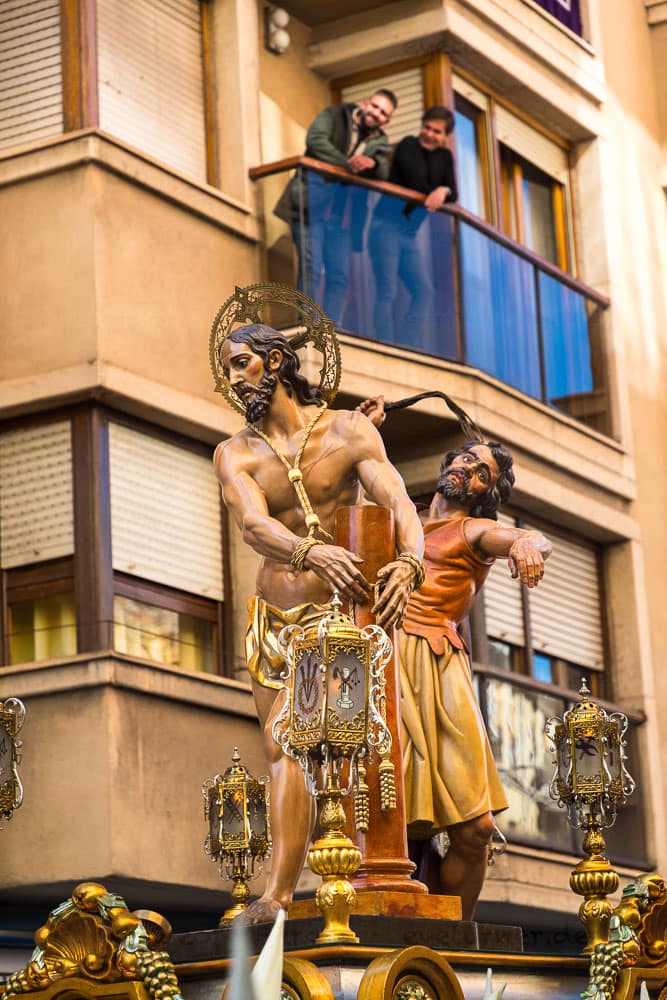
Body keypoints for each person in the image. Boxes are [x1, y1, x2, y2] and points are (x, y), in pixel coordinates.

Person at [213, 326, 424, 923]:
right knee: (282, 749)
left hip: (337, 619)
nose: (233, 379)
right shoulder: (236, 453)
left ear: (276, 361)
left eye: (242, 364)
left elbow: (399, 500)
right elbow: (254, 526)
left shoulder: (348, 431)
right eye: (228, 368)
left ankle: (301, 887)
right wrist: (309, 552)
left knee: (313, 746)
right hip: (274, 619)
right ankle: (285, 892)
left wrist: (411, 560)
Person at [358, 395, 551, 920]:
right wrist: (365, 432)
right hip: (386, 658)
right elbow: (356, 512)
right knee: (394, 824)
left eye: (482, 470)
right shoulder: (406, 519)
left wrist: (529, 544)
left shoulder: (473, 532)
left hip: (440, 667)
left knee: (477, 828)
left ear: (488, 493)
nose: (467, 467)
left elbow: (519, 537)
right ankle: (408, 927)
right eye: (464, 459)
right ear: (447, 468)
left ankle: (455, 938)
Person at [274, 90, 397, 322]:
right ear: (365, 103)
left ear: (387, 120)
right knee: (312, 267)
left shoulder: (380, 141)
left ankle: (329, 333)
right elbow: (315, 140)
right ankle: (307, 327)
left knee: (339, 276)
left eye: (383, 113)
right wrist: (348, 166)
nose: (377, 114)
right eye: (375, 107)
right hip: (311, 206)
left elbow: (383, 171)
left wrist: (370, 164)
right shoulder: (336, 114)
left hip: (343, 218)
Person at [368, 106, 458, 344]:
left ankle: (407, 345)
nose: (429, 134)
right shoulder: (408, 144)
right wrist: (438, 190)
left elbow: (453, 192)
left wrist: (444, 189)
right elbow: (416, 181)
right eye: (426, 127)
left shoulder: (445, 157)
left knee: (424, 292)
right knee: (387, 290)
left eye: (436, 131)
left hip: (408, 233)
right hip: (385, 225)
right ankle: (385, 346)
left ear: (445, 136)